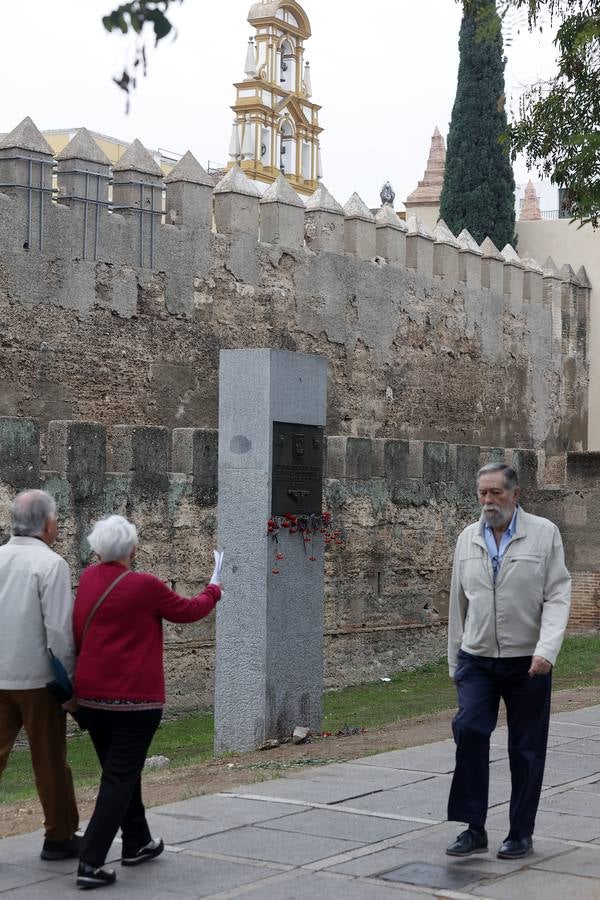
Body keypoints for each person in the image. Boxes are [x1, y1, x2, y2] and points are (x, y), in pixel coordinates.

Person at [73, 515, 222, 891]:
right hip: (135, 702)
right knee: (119, 776)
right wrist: (214, 587)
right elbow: (190, 611)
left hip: (91, 697)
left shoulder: (89, 579)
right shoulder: (145, 586)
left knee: (122, 769)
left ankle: (137, 841)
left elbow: (77, 627)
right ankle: (90, 862)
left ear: (96, 548)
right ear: (133, 550)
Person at [446, 463, 571, 861]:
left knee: (526, 748)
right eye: (482, 493)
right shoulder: (468, 538)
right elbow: (457, 603)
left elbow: (557, 594)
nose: (487, 501)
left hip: (528, 662)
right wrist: (456, 663)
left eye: (496, 493)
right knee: (468, 731)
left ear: (516, 495)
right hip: (477, 659)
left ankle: (520, 832)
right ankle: (473, 827)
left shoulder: (544, 534)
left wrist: (547, 649)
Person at [0, 489, 79, 860]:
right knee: (49, 760)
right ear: (47, 524)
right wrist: (70, 684)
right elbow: (60, 633)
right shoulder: (51, 565)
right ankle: (59, 836)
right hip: (37, 680)